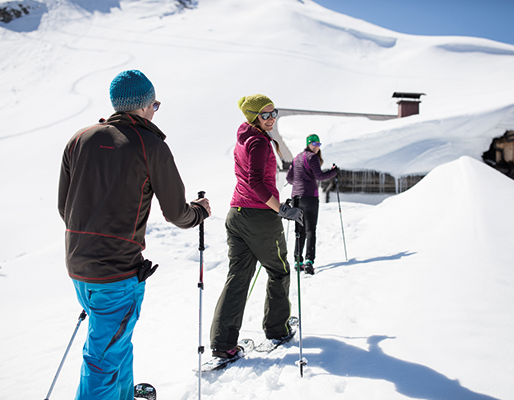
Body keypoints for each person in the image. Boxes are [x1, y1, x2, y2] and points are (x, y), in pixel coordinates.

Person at [57, 69, 211, 400]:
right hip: (116, 272)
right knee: (102, 359)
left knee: (115, 343)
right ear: (142, 106)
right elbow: (176, 213)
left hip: (79, 267)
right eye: (154, 103)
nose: (155, 110)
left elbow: (64, 207)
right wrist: (199, 211)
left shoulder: (79, 138)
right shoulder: (150, 144)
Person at [209, 94, 303, 360]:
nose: (271, 118)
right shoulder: (259, 141)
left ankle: (223, 344)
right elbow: (256, 183)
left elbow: (251, 181)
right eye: (265, 114)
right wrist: (281, 209)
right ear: (253, 117)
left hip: (236, 214)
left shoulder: (244, 137)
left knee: (238, 277)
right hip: (259, 217)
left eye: (274, 113)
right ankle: (277, 330)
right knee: (280, 271)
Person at [286, 134, 338, 275]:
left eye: (318, 144)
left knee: (299, 231)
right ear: (308, 143)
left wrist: (298, 183)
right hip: (309, 197)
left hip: (296, 198)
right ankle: (309, 261)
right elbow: (320, 176)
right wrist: (334, 172)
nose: (316, 146)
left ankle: (298, 261)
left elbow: (289, 178)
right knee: (310, 231)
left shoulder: (297, 158)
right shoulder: (312, 157)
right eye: (314, 143)